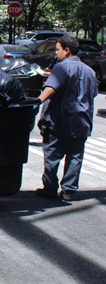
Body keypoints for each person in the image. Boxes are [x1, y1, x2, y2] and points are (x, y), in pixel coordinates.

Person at [35, 36, 98, 202]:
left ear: (66, 50)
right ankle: (68, 191)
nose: (56, 53)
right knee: (75, 157)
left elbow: (51, 88)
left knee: (52, 156)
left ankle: (50, 188)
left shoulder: (61, 68)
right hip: (82, 121)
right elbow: (94, 95)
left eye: (57, 49)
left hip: (60, 121)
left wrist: (37, 102)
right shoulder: (90, 71)